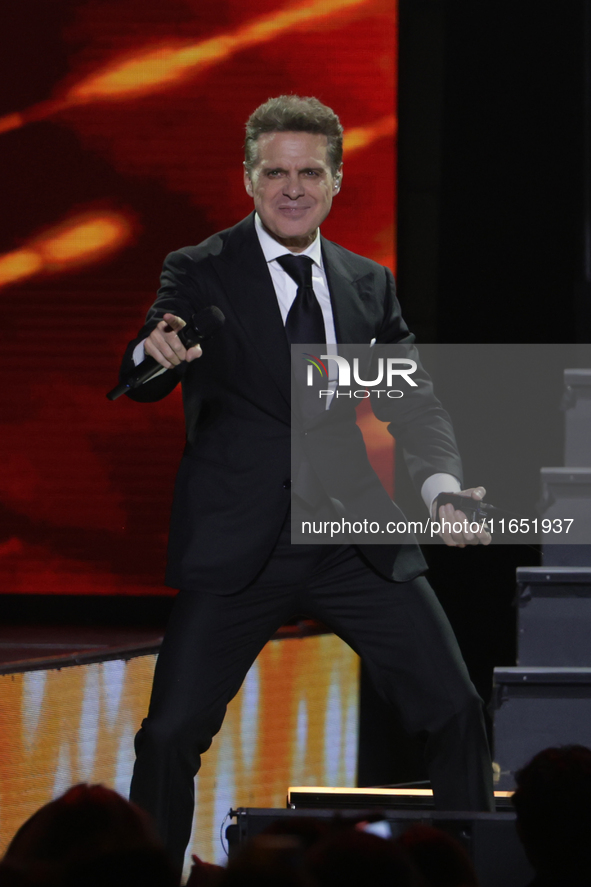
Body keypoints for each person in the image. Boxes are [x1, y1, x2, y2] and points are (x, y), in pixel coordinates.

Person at [119, 95, 494, 870]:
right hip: (237, 548)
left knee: (454, 708)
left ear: (335, 181)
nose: (292, 187)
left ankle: (469, 869)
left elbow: (413, 403)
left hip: (348, 541)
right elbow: (153, 354)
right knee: (167, 734)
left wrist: (440, 490)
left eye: (308, 172)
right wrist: (153, 355)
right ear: (250, 179)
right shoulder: (200, 268)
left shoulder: (366, 284)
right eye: (275, 172)